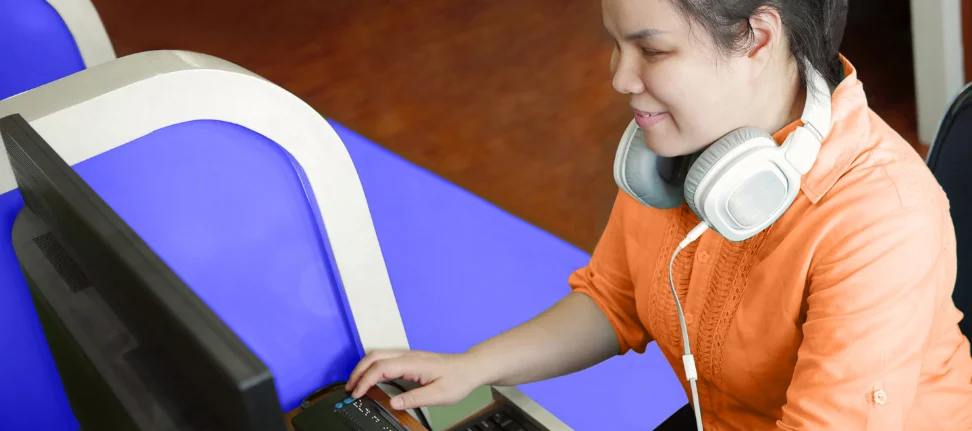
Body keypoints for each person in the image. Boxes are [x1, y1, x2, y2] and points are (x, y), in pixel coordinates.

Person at [346, 0, 972, 429]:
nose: (620, 77)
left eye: (651, 50)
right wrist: (471, 369)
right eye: (616, 44)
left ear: (756, 37)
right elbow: (614, 298)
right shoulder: (682, 149)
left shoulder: (882, 220)